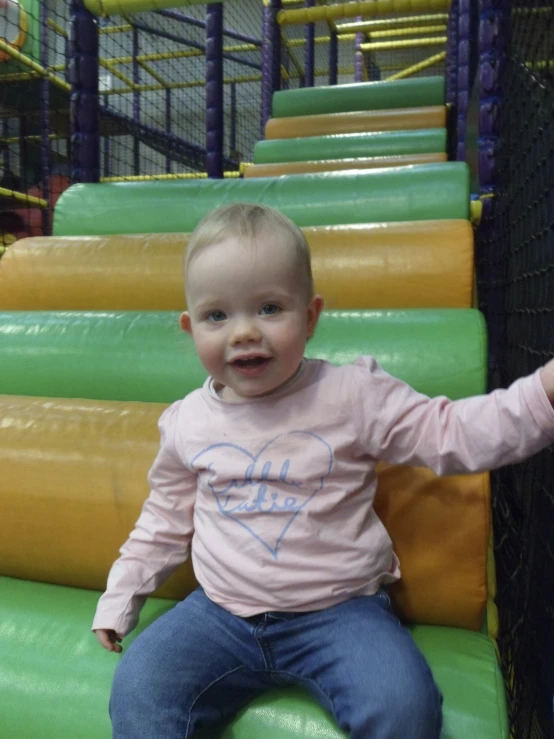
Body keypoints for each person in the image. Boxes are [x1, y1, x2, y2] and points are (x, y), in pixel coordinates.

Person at [93, 203, 554, 739]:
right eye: (217, 316)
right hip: (219, 615)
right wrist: (122, 594)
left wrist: (541, 396)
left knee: (403, 707)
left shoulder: (351, 396)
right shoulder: (188, 422)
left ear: (310, 317)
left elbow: (453, 433)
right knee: (139, 689)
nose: (243, 333)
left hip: (339, 614)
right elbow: (165, 518)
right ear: (189, 326)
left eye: (269, 308)